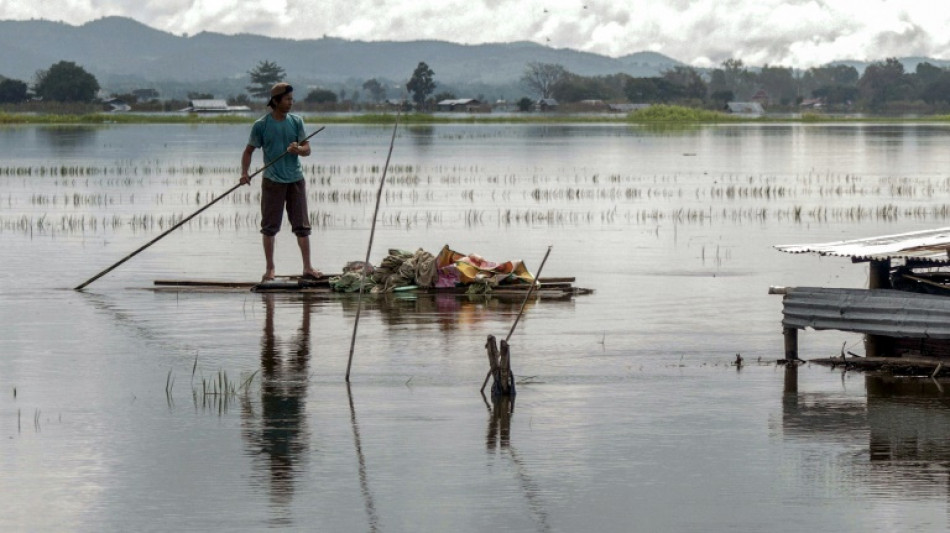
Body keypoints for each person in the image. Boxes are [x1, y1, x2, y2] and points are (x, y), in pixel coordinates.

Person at [240, 82, 322, 282]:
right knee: (269, 227)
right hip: (272, 182)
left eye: (292, 99)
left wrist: (298, 150)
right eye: (287, 99)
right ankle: (270, 269)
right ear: (276, 101)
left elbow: (307, 150)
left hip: (295, 180)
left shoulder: (296, 122)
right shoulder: (261, 125)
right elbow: (249, 151)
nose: (290, 103)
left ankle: (308, 268)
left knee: (302, 226)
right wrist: (244, 173)